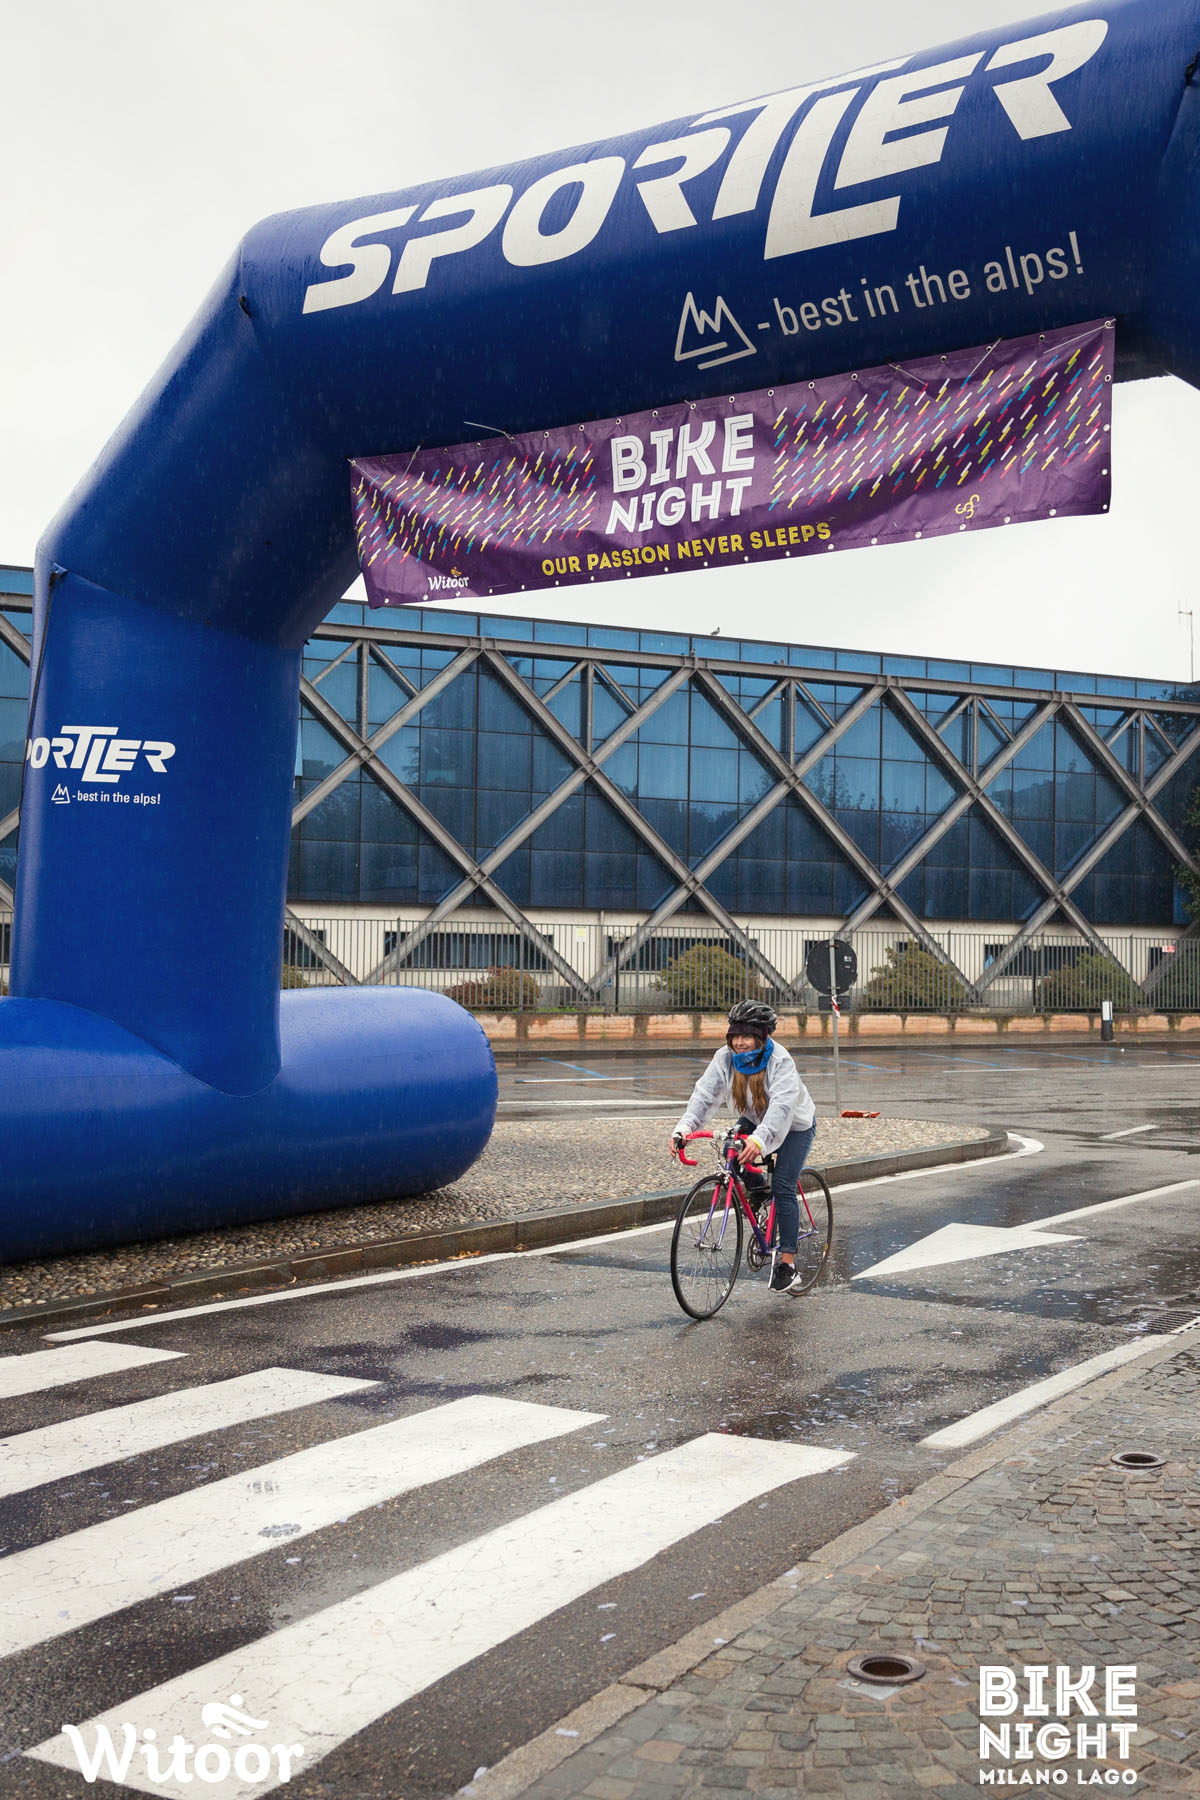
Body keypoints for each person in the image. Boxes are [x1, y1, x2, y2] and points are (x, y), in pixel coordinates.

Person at [669, 1000, 817, 1295]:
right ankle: (761, 1194)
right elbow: (705, 1095)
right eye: (735, 1035)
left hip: (795, 1125)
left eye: (747, 1035)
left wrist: (760, 1140)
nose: (739, 1042)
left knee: (784, 1186)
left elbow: (783, 1106)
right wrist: (685, 1127)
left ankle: (787, 1265)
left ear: (762, 1036)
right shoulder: (725, 1058)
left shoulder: (780, 1060)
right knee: (731, 1151)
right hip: (756, 1118)